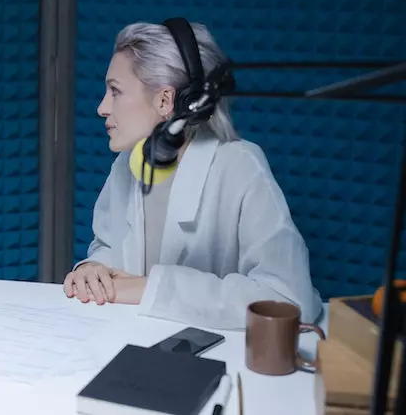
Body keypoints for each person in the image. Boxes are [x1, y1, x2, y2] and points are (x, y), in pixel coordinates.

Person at [63, 19, 322, 329]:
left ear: (164, 100)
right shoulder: (130, 163)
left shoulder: (239, 166)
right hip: (133, 341)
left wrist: (151, 288)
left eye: (115, 91)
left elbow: (290, 300)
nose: (102, 108)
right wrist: (96, 269)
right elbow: (109, 245)